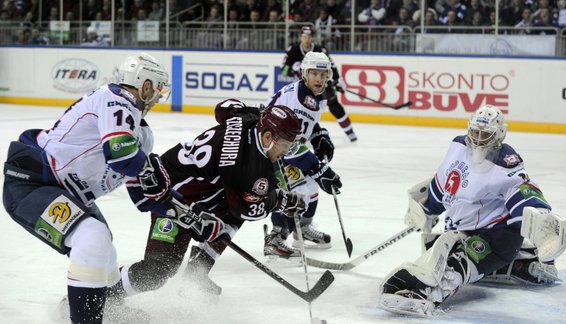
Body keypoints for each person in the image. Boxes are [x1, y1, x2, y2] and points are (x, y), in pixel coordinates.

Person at [1, 53, 194, 323]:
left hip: (68, 192)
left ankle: (110, 310)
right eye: (158, 88)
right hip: (34, 181)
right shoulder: (114, 100)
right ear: (145, 85)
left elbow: (142, 196)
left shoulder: (141, 133)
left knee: (104, 252)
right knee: (93, 237)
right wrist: (149, 170)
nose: (160, 96)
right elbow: (120, 153)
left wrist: (182, 211)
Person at [378, 105, 566, 316]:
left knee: (456, 257)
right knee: (436, 245)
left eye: (486, 134)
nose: (479, 139)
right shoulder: (458, 147)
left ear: (499, 134)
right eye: (475, 132)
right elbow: (446, 183)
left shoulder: (505, 161)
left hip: (496, 237)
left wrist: (540, 215)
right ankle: (521, 262)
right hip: (465, 231)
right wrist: (428, 208)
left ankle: (428, 294)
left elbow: (521, 191)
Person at [105, 99, 307, 299]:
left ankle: (197, 271)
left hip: (190, 185)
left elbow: (224, 109)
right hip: (170, 196)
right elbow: (246, 211)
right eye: (284, 145)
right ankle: (100, 296)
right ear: (267, 137)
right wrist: (280, 201)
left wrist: (254, 112)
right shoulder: (248, 170)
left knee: (235, 205)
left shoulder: (252, 119)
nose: (286, 152)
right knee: (158, 270)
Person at [264, 51, 343, 258]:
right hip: (269, 151)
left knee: (311, 186)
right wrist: (317, 167)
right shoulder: (298, 99)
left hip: (284, 148)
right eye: (314, 73)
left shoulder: (315, 95)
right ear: (304, 74)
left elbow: (305, 124)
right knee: (295, 191)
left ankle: (303, 229)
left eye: (323, 74)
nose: (319, 78)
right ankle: (276, 237)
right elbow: (284, 144)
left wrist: (318, 134)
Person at [280, 26, 358, 142]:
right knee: (300, 110)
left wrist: (338, 80)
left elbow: (331, 66)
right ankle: (298, 135)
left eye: (309, 37)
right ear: (301, 37)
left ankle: (350, 132)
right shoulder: (293, 50)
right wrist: (292, 69)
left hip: (321, 84)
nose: (307, 40)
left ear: (313, 38)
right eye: (305, 37)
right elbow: (283, 70)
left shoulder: (320, 50)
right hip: (302, 87)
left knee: (334, 105)